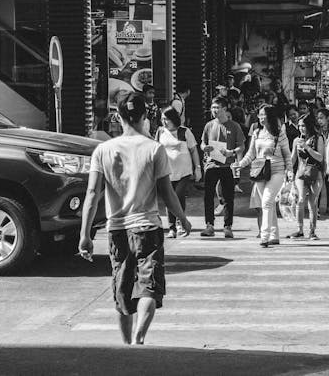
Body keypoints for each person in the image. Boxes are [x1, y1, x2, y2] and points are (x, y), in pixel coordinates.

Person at [78, 92, 192, 345]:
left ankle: (127, 345)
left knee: (123, 292)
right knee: (149, 288)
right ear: (145, 117)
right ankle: (140, 335)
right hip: (148, 229)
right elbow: (167, 193)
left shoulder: (103, 150)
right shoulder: (154, 149)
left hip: (117, 230)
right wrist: (182, 218)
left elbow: (91, 193)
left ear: (119, 117)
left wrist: (84, 235)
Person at [235, 105, 292, 248]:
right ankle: (274, 235)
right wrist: (240, 164)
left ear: (270, 116)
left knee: (266, 202)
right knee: (269, 204)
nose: (260, 117)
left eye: (263, 115)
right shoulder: (256, 133)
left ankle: (264, 235)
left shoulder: (280, 133)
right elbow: (251, 153)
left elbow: (287, 154)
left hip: (277, 171)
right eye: (259, 115)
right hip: (259, 171)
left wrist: (289, 170)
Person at [200, 97, 246, 238]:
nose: (214, 110)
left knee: (228, 197)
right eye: (212, 107)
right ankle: (209, 225)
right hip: (211, 165)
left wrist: (231, 152)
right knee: (208, 196)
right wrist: (204, 148)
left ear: (225, 109)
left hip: (228, 165)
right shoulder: (209, 125)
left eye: (217, 107)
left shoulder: (234, 126)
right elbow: (202, 143)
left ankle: (227, 226)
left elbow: (241, 146)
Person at [156, 107, 202, 238]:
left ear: (174, 119)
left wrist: (197, 168)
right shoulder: (160, 132)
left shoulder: (184, 131)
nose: (165, 122)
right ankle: (172, 227)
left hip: (184, 171)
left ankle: (180, 223)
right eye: (163, 119)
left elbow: (193, 150)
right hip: (166, 171)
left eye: (167, 119)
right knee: (168, 198)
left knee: (178, 195)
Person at [290, 114, 325, 240]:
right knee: (300, 200)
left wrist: (306, 147)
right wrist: (288, 171)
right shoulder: (296, 140)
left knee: (313, 203)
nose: (301, 128)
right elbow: (293, 158)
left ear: (309, 125)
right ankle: (299, 229)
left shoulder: (318, 138)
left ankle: (312, 231)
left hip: (316, 173)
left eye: (303, 126)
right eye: (299, 126)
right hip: (300, 173)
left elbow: (320, 157)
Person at [316, 108, 329, 215]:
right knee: (318, 184)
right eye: (318, 118)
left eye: (321, 118)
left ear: (328, 118)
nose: (319, 120)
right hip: (319, 159)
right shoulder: (316, 130)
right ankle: (317, 207)